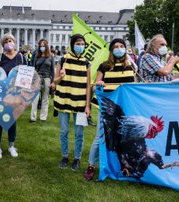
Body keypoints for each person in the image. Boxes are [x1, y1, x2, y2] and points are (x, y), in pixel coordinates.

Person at [83, 38, 136, 180]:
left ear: (125, 48)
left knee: (122, 138)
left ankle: (121, 166)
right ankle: (91, 165)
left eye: (121, 46)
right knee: (100, 137)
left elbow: (133, 88)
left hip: (125, 108)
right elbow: (94, 86)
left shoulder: (130, 66)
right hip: (108, 108)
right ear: (111, 50)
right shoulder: (104, 66)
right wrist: (99, 83)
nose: (119, 49)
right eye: (116, 47)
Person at [53, 34, 91, 171]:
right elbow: (54, 83)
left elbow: (88, 85)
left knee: (79, 133)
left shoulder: (87, 63)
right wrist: (61, 77)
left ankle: (77, 158)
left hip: (80, 104)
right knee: (64, 131)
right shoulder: (62, 60)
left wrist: (88, 105)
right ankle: (64, 156)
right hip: (63, 101)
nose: (80, 46)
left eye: (82, 44)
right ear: (72, 44)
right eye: (78, 43)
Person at [0, 33, 27, 159]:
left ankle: (11, 145)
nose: (9, 42)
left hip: (16, 93)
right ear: (3, 44)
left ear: (14, 42)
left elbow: (26, 76)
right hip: (1, 93)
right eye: (6, 41)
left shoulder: (22, 58)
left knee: (13, 119)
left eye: (11, 40)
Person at [30, 39, 54, 122]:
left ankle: (43, 117)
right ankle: (33, 117)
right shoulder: (36, 55)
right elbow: (33, 68)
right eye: (41, 46)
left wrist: (53, 82)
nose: (42, 47)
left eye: (44, 46)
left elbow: (52, 70)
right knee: (35, 98)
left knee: (45, 98)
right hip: (37, 78)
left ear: (46, 46)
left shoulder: (51, 56)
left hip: (47, 78)